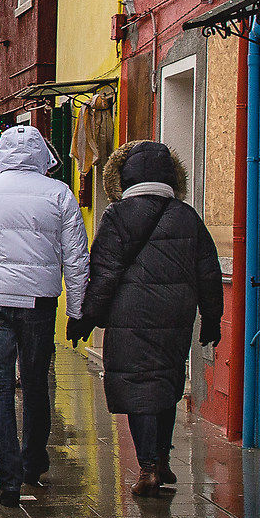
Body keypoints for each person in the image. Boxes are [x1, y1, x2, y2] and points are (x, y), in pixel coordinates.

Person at [72, 141, 221, 497]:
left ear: (124, 177)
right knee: (165, 383)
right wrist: (212, 318)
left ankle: (148, 467)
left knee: (138, 385)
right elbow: (209, 272)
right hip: (176, 314)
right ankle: (162, 459)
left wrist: (86, 317)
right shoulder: (187, 216)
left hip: (130, 314)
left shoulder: (117, 215)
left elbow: (104, 273)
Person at [0, 123, 89, 506]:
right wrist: (77, 310)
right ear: (43, 155)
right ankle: (33, 463)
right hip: (40, 304)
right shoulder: (59, 194)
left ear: (0, 155)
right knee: (36, 382)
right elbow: (76, 257)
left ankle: (8, 479)